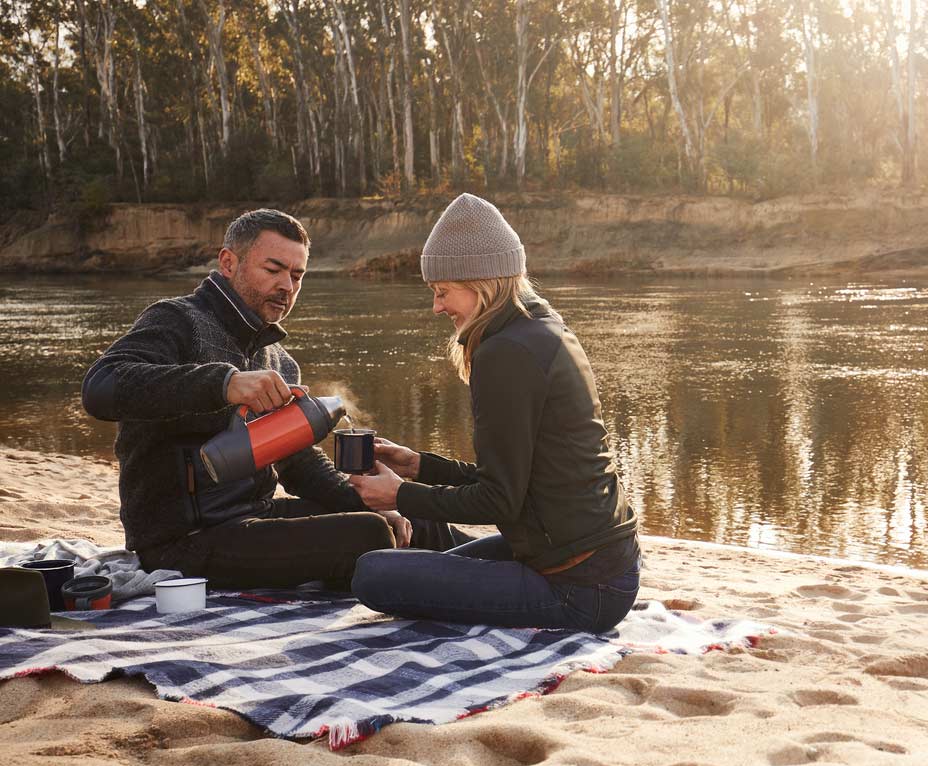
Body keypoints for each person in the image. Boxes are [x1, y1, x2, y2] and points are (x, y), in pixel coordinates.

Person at [81, 209, 438, 588]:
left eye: (297, 275)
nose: (287, 285)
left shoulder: (279, 361)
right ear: (228, 262)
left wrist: (367, 500)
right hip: (182, 540)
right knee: (370, 536)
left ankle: (497, 567)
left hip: (258, 516)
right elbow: (100, 387)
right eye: (274, 269)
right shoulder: (177, 320)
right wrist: (225, 383)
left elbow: (296, 462)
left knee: (413, 516)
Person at [347, 193, 641, 632]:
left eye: (443, 291)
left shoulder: (506, 353)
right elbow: (514, 480)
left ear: (480, 281)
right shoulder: (540, 326)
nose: (437, 306)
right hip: (596, 560)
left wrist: (398, 496)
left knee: (374, 574)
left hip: (580, 586)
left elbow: (498, 499)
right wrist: (419, 466)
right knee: (409, 567)